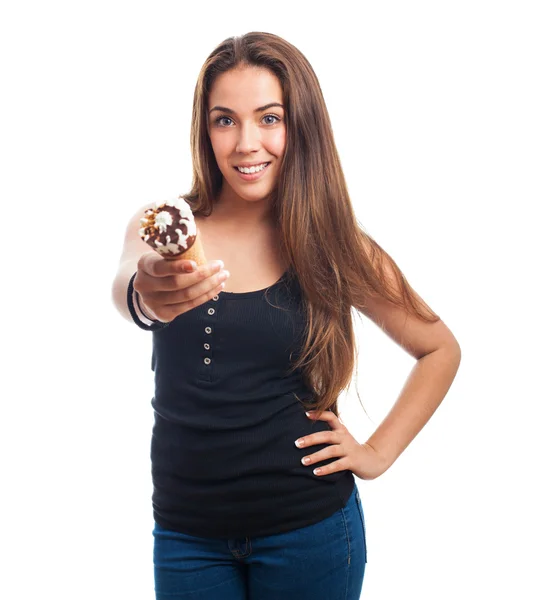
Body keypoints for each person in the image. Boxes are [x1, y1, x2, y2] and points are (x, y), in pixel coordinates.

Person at [111, 31, 461, 600]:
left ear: (300, 125)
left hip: (311, 534)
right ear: (206, 129)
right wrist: (148, 290)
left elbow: (439, 349)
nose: (247, 143)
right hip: (186, 537)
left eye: (268, 118)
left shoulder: (335, 246)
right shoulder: (165, 226)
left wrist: (375, 454)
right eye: (225, 120)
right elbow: (128, 284)